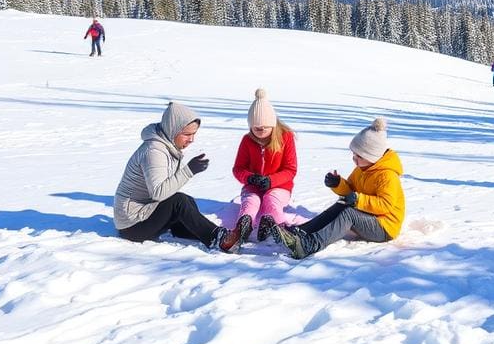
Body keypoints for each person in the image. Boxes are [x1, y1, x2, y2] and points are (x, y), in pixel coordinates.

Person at [272, 117, 405, 260]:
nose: (354, 159)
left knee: (349, 213)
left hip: (385, 227)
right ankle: (301, 232)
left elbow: (385, 205)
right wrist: (338, 184)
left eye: (359, 156)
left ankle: (309, 245)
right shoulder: (362, 169)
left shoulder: (387, 176)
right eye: (353, 154)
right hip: (369, 216)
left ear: (372, 156)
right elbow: (350, 191)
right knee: (342, 204)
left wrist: (358, 200)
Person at [114, 102, 230, 251]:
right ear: (172, 130)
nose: (191, 139)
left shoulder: (167, 146)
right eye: (187, 134)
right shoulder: (154, 151)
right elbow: (158, 193)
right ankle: (218, 238)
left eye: (194, 134)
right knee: (179, 201)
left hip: (144, 214)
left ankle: (186, 230)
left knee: (187, 200)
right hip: (132, 225)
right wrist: (189, 170)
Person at [219, 88, 298, 252]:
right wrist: (250, 178)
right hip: (253, 185)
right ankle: (243, 226)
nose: (260, 132)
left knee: (272, 200)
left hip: (279, 186)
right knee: (250, 201)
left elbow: (290, 169)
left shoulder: (286, 138)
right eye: (256, 128)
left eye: (264, 128)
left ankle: (278, 226)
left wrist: (271, 180)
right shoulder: (247, 141)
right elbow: (238, 168)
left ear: (272, 125)